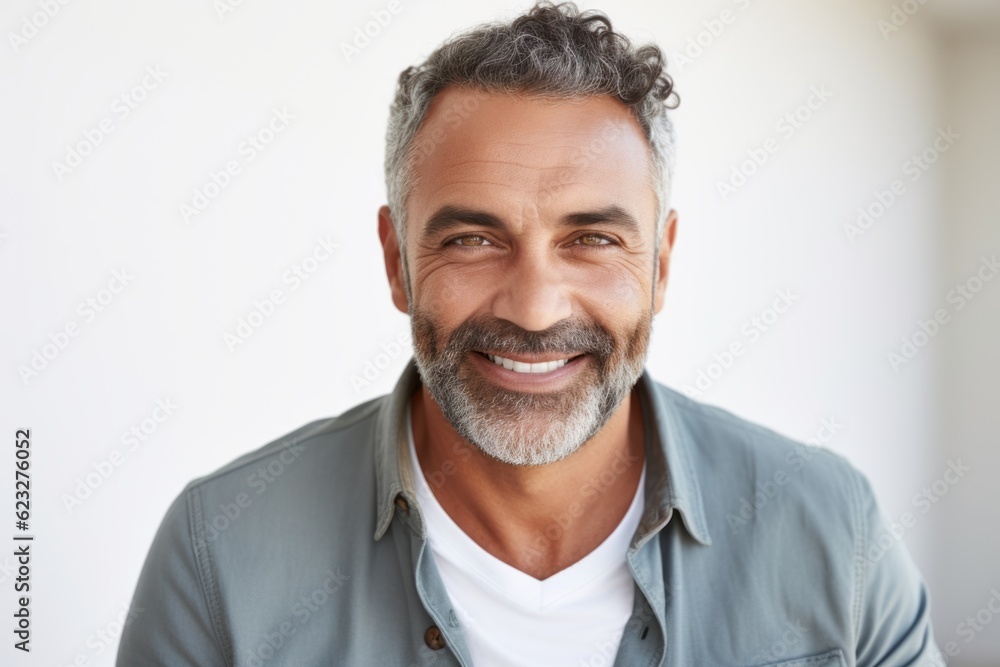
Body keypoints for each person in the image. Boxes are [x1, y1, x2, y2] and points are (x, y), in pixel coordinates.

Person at [117, 2, 942, 665]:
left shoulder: (834, 532)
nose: (536, 310)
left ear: (660, 265)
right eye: (474, 239)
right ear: (398, 261)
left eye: (593, 239)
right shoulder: (220, 551)